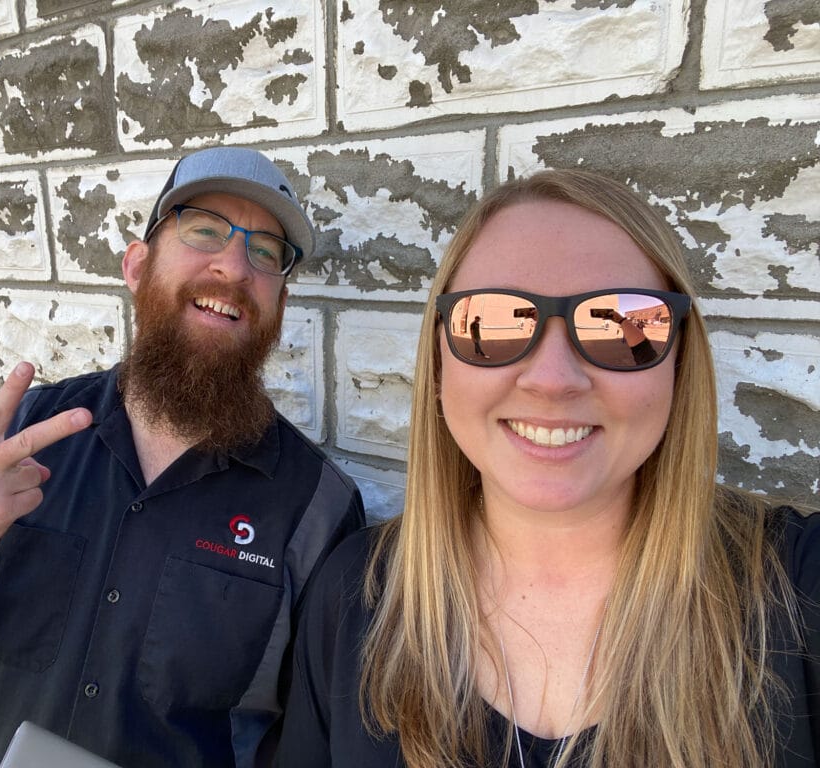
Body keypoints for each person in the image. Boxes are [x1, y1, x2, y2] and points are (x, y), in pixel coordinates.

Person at [0, 146, 365, 768]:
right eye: (204, 230)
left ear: (278, 305)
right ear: (137, 265)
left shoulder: (317, 508)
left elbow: (316, 746)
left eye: (266, 252)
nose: (235, 264)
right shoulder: (32, 435)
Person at [275, 169, 820, 768]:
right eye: (493, 323)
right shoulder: (355, 595)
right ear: (437, 366)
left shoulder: (799, 591)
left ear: (679, 365)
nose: (553, 379)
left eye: (619, 325)